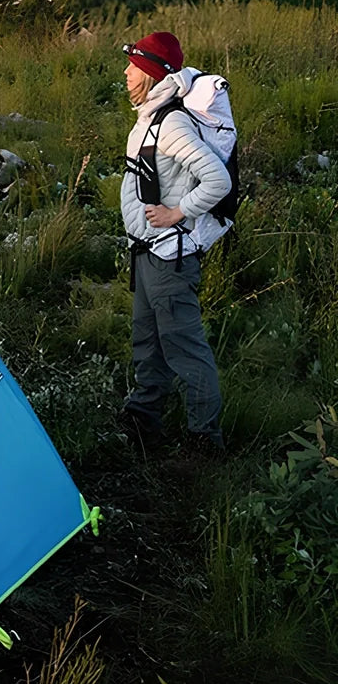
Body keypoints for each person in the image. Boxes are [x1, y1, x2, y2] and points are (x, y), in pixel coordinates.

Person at [118, 31, 230, 456]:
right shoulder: (151, 114)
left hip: (170, 257)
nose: (126, 73)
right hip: (148, 253)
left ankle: (205, 441)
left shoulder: (172, 124)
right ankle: (143, 419)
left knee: (185, 348)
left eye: (132, 66)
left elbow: (218, 181)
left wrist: (178, 212)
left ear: (149, 73)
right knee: (147, 341)